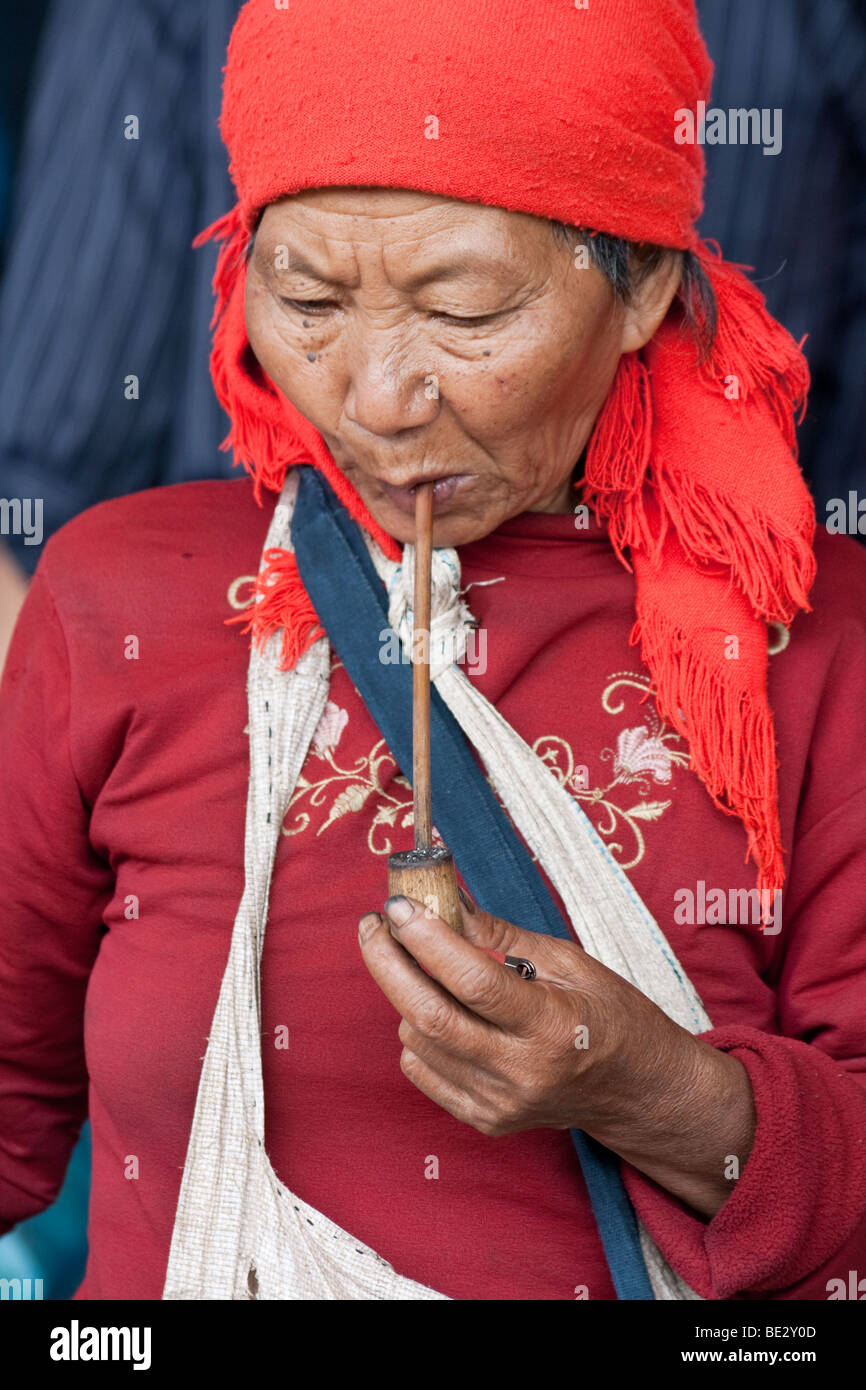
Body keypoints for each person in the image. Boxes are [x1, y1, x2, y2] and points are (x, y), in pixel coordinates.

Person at [1, 0, 864, 1301]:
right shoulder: (121, 593)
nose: (376, 397)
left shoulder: (809, 639)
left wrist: (653, 1089)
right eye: (305, 298)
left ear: (638, 284)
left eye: (463, 311)